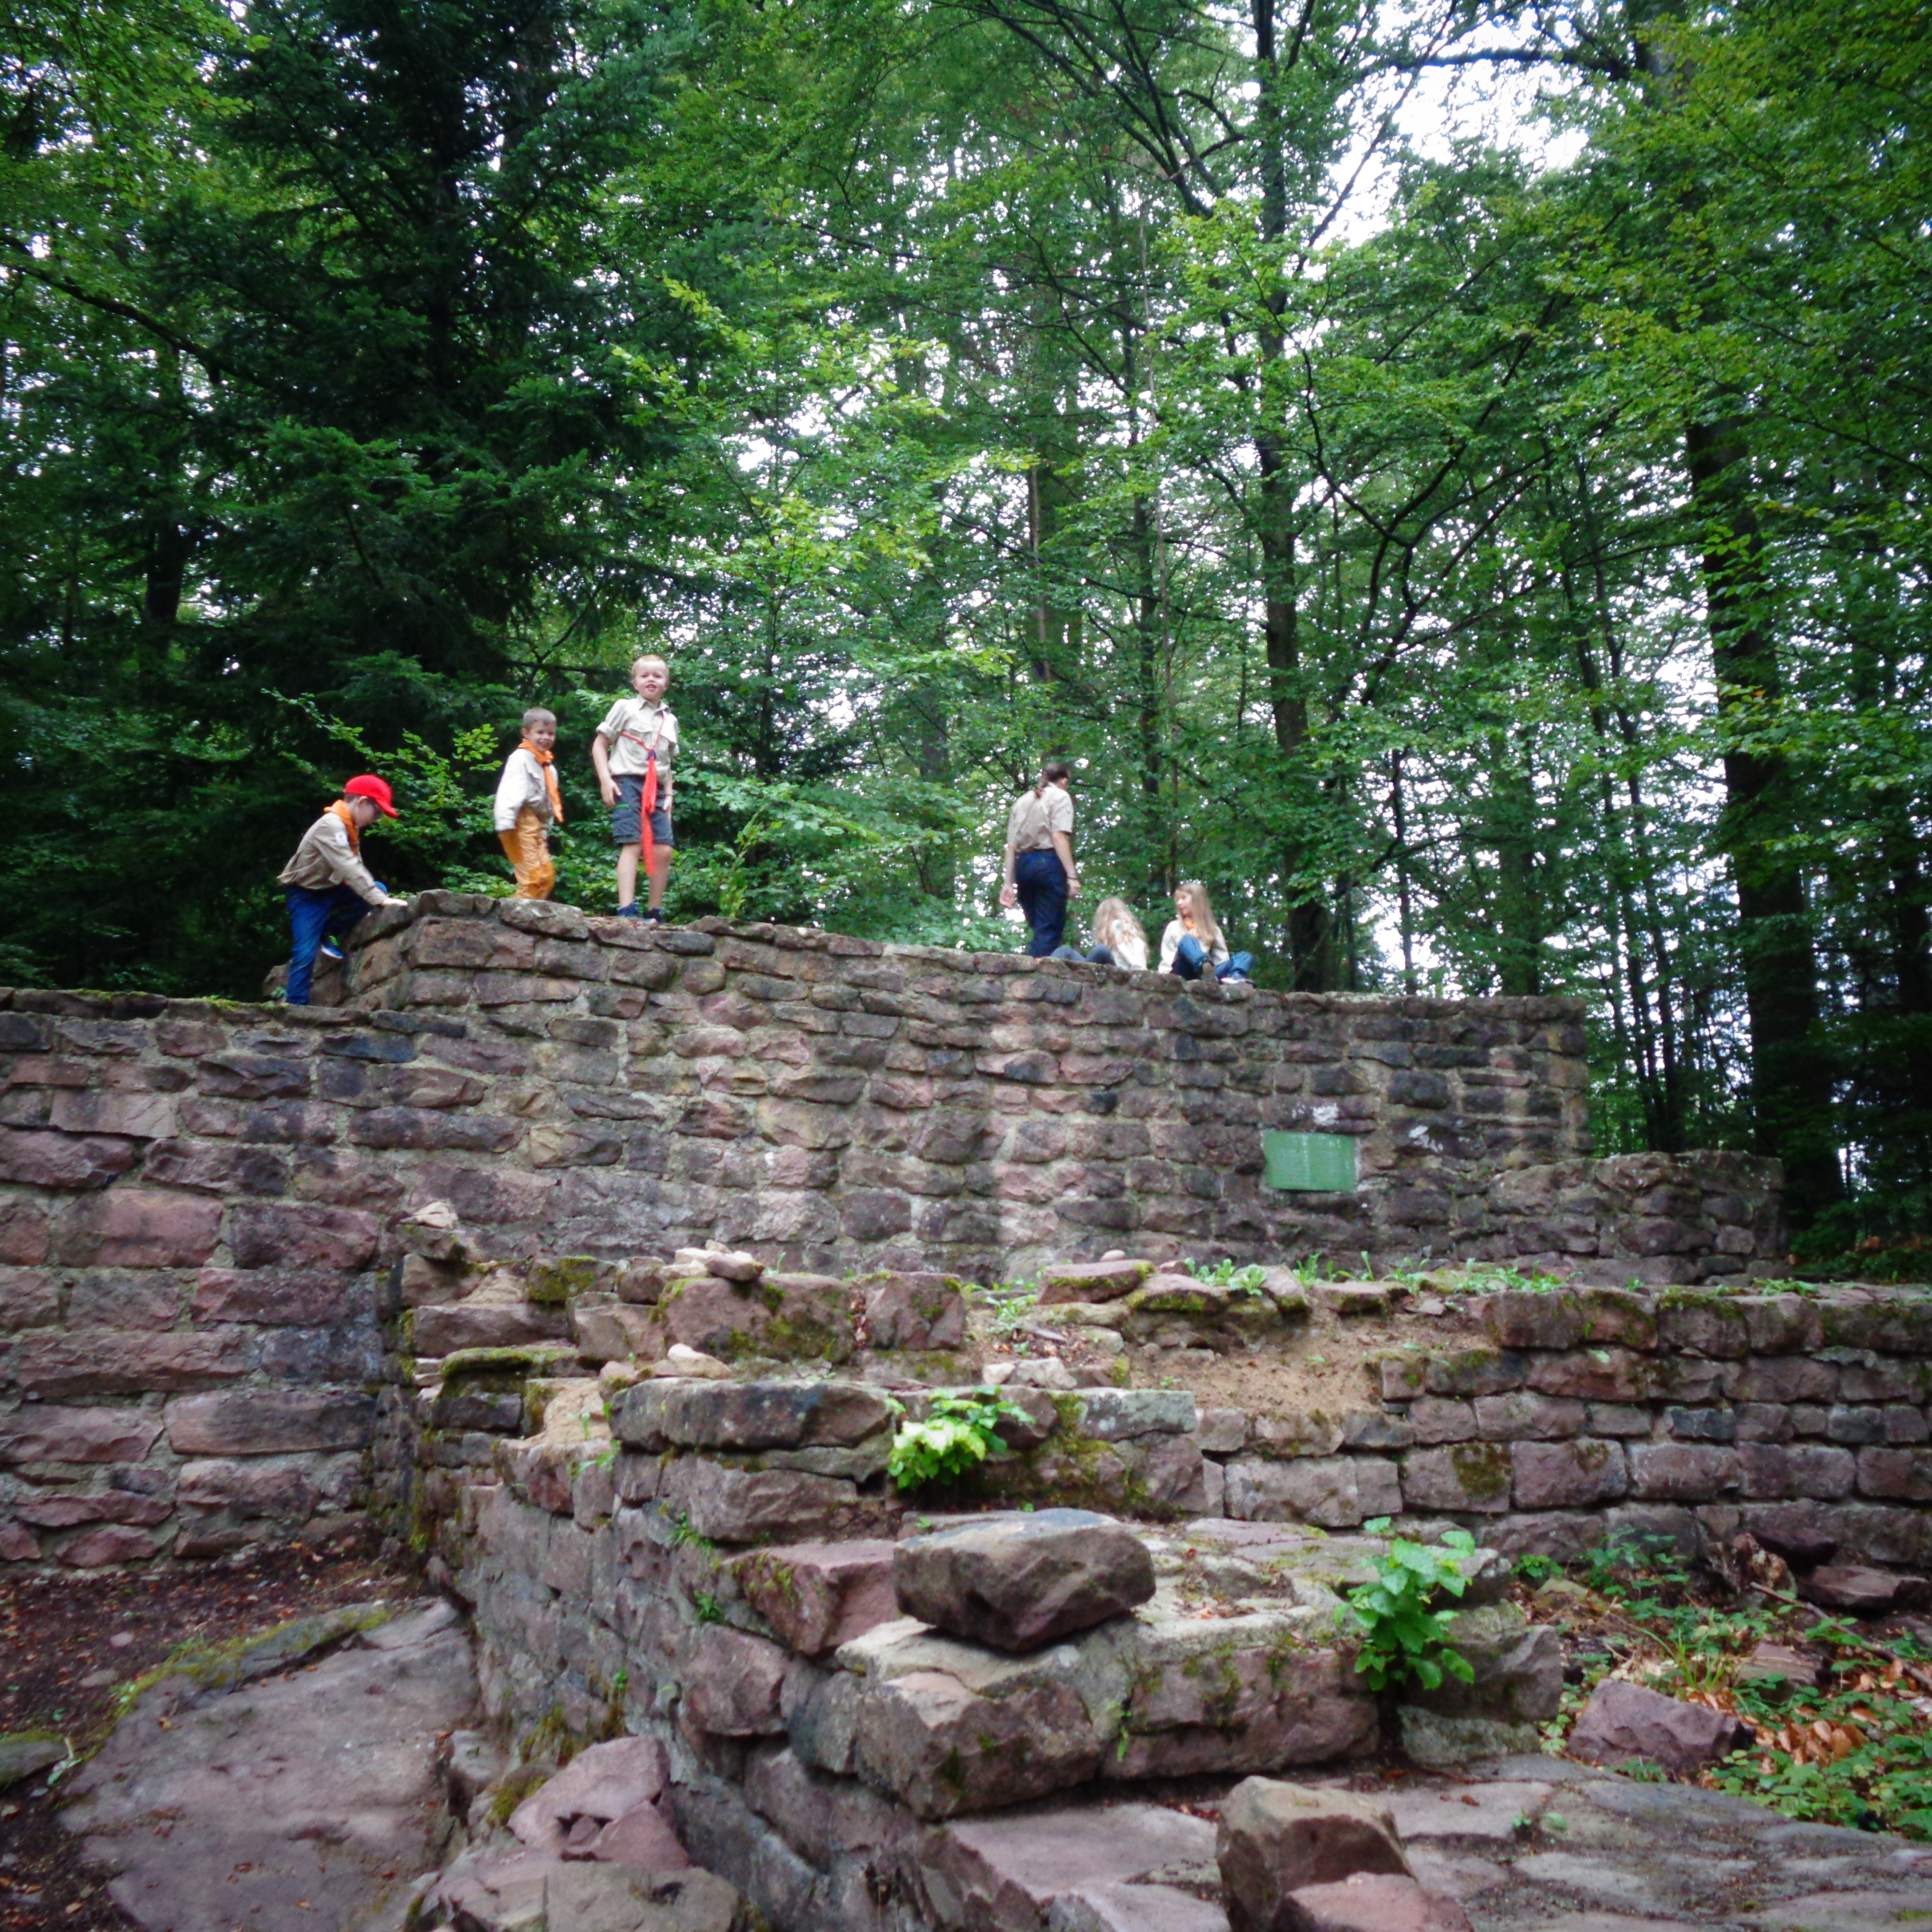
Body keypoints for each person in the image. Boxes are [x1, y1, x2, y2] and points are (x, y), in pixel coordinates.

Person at [276, 774, 408, 1005]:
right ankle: (295, 1007)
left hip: (332, 889)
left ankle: (327, 931)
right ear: (362, 802)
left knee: (377, 888)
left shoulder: (349, 828)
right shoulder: (332, 825)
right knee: (306, 953)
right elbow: (347, 865)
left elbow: (355, 867)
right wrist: (379, 899)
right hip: (306, 895)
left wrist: (375, 895)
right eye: (377, 812)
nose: (376, 819)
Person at [591, 654, 678, 922]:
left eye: (658, 676)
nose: (651, 679)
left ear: (666, 683)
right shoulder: (624, 708)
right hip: (627, 782)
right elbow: (599, 745)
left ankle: (655, 911)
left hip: (658, 789)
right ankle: (627, 909)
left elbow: (667, 762)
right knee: (633, 842)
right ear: (635, 682)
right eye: (645, 675)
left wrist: (671, 794)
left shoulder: (670, 720)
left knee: (664, 849)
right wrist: (606, 780)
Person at [999, 759, 1081, 956]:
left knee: (1039, 928)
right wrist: (1072, 876)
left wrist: (1008, 883)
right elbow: (1058, 836)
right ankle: (1038, 981)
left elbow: (1011, 846)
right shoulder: (1060, 796)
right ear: (1063, 781)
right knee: (1049, 930)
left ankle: (1032, 969)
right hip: (1048, 864)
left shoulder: (1021, 801)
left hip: (1023, 866)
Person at [494, 708, 564, 900]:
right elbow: (511, 790)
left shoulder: (549, 766)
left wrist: (546, 829)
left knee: (547, 876)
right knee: (532, 875)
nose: (546, 738)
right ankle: (518, 914)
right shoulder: (520, 758)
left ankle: (533, 914)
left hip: (538, 824)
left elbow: (550, 802)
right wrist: (506, 823)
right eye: (540, 732)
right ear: (526, 733)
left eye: (550, 734)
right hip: (520, 820)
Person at [1159, 880, 1254, 983]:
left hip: (1207, 976)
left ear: (1197, 900)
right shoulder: (1174, 926)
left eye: (1183, 898)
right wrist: (1165, 980)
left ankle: (1235, 977)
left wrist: (1222, 970)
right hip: (1182, 972)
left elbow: (1222, 960)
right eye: (1178, 900)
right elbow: (1167, 960)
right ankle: (1203, 965)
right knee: (1187, 939)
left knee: (1245, 956)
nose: (1179, 903)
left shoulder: (1213, 929)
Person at [1088, 896, 1149, 970]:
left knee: (1100, 950)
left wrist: (1138, 968)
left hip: (1123, 970)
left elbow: (1124, 948)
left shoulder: (1118, 926)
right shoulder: (1130, 929)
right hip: (1123, 969)